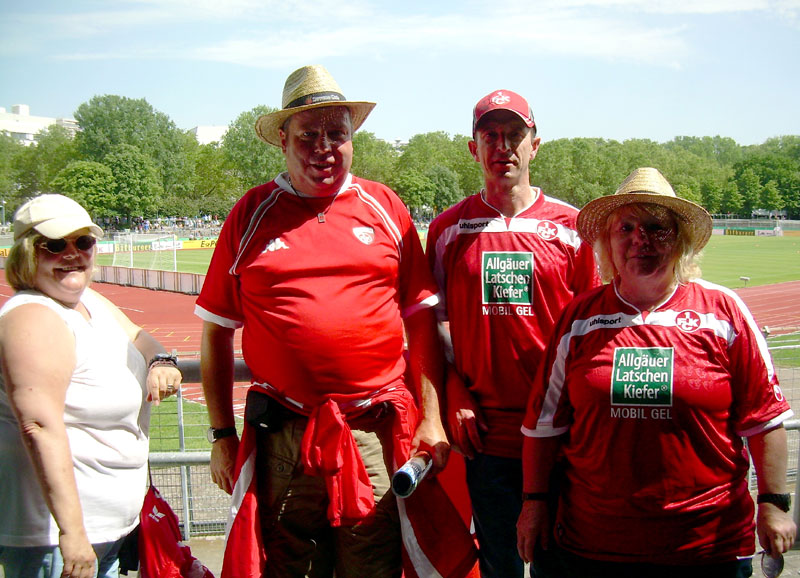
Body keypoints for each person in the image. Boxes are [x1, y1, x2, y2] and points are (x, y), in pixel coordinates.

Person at [195, 65, 470, 578]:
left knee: (373, 563)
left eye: (337, 134)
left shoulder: (385, 207)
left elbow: (421, 324)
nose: (324, 147)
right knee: (291, 564)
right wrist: (220, 435)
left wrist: (432, 417)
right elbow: (215, 330)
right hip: (283, 434)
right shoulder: (251, 212)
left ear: (352, 138)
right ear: (282, 140)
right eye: (309, 135)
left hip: (371, 429)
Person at [516, 167, 796, 577]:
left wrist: (774, 503)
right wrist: (533, 503)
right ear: (608, 245)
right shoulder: (580, 318)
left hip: (706, 546)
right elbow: (544, 426)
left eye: (656, 227)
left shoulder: (724, 311)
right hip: (594, 546)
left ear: (680, 239)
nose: (640, 239)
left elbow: (765, 418)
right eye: (625, 227)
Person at [425, 89, 599, 577]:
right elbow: (430, 324)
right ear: (473, 148)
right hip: (488, 436)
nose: (504, 146)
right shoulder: (446, 231)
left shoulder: (573, 228)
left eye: (515, 135)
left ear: (535, 145)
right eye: (491, 135)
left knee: (559, 563)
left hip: (562, 435)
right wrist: (453, 386)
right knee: (499, 563)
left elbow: (592, 335)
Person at [0, 194, 182, 578]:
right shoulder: (33, 317)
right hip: (54, 541)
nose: (72, 254)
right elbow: (39, 426)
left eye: (83, 242)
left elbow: (139, 335)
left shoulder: (85, 301)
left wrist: (160, 361)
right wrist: (73, 532)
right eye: (54, 245)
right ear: (25, 253)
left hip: (105, 532)